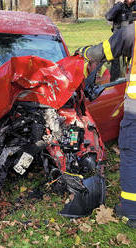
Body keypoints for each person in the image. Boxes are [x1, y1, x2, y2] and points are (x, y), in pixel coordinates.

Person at [75, 23, 135, 228]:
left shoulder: (132, 31)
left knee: (131, 154)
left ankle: (131, 212)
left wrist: (83, 53)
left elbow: (103, 51)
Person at [105, 0, 135, 80]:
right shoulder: (119, 6)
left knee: (132, 62)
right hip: (118, 39)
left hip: (130, 39)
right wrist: (119, 4)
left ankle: (129, 80)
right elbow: (108, 17)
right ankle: (114, 82)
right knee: (115, 62)